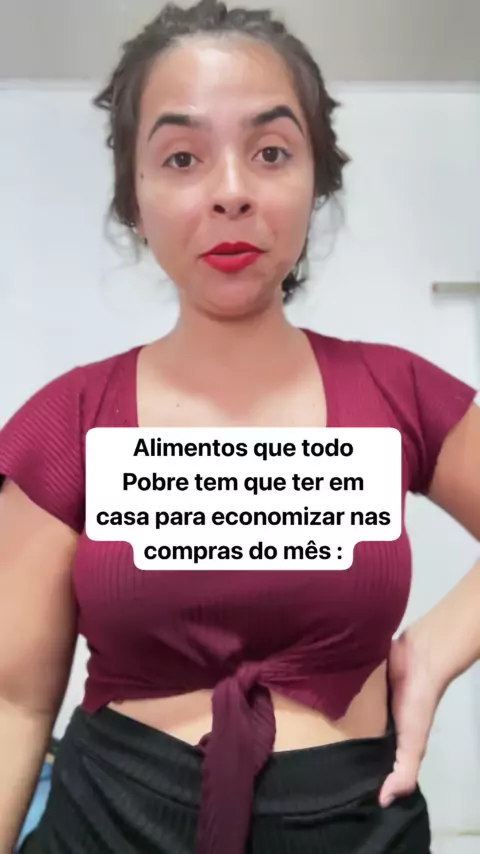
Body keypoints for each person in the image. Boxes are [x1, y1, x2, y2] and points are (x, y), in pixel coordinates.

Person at [1, 1, 479, 852]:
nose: (230, 191)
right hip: (107, 823)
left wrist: (436, 651)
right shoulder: (67, 421)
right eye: (182, 157)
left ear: (316, 181)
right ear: (135, 200)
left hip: (358, 826)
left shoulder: (399, 391)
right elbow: (14, 702)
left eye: (271, 152)